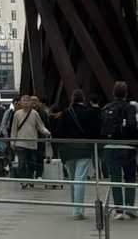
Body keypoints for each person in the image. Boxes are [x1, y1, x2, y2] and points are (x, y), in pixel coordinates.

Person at [55, 89, 100, 219]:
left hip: (68, 149)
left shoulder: (65, 113)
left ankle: (75, 206)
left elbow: (58, 131)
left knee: (72, 179)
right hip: (84, 149)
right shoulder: (88, 112)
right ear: (83, 99)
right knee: (80, 179)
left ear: (72, 99)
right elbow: (94, 131)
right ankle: (78, 211)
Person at [100, 81, 138, 219]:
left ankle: (118, 210)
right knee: (130, 177)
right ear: (126, 93)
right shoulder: (129, 107)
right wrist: (137, 142)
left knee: (115, 179)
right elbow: (131, 125)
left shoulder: (106, 108)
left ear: (113, 93)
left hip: (110, 147)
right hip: (127, 147)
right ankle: (129, 206)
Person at [10, 95, 50, 184]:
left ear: (30, 103)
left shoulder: (34, 113)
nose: (25, 103)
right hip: (20, 143)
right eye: (23, 101)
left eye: (27, 101)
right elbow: (14, 129)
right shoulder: (17, 114)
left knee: (31, 163)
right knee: (22, 162)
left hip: (32, 143)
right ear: (21, 102)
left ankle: (30, 178)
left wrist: (47, 132)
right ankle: (24, 180)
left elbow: (40, 126)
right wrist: (12, 141)